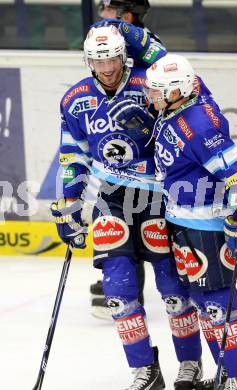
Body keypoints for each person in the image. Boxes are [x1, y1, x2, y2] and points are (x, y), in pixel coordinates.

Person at [51, 26, 203, 390]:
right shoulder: (75, 99)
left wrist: (144, 42)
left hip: (158, 197)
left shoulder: (147, 83)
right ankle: (144, 370)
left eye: (113, 58)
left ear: (125, 55)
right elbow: (74, 156)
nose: (106, 67)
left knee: (173, 290)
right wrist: (69, 205)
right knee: (118, 290)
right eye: (98, 60)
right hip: (111, 199)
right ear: (88, 60)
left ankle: (190, 364)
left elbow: (189, 96)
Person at [144, 53, 237, 390]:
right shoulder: (180, 104)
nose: (151, 97)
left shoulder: (198, 126)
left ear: (177, 91)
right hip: (183, 224)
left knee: (218, 304)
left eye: (156, 91)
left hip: (204, 227)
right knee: (203, 302)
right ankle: (226, 373)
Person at [90, 0, 167, 319]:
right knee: (118, 221)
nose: (101, 14)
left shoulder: (145, 42)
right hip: (117, 159)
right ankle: (122, 280)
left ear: (127, 14)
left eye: (107, 8)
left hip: (150, 163)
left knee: (151, 232)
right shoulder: (103, 38)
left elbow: (165, 68)